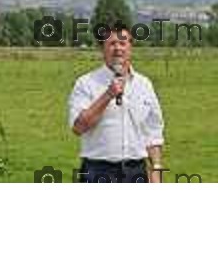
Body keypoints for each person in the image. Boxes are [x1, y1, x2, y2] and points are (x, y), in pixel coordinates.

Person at [68, 25, 165, 183]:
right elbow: (79, 127)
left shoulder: (144, 84)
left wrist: (156, 168)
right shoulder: (86, 83)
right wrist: (108, 95)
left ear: (130, 47)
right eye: (112, 43)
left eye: (123, 43)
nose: (118, 48)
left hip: (136, 171)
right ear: (103, 49)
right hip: (98, 170)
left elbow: (153, 131)